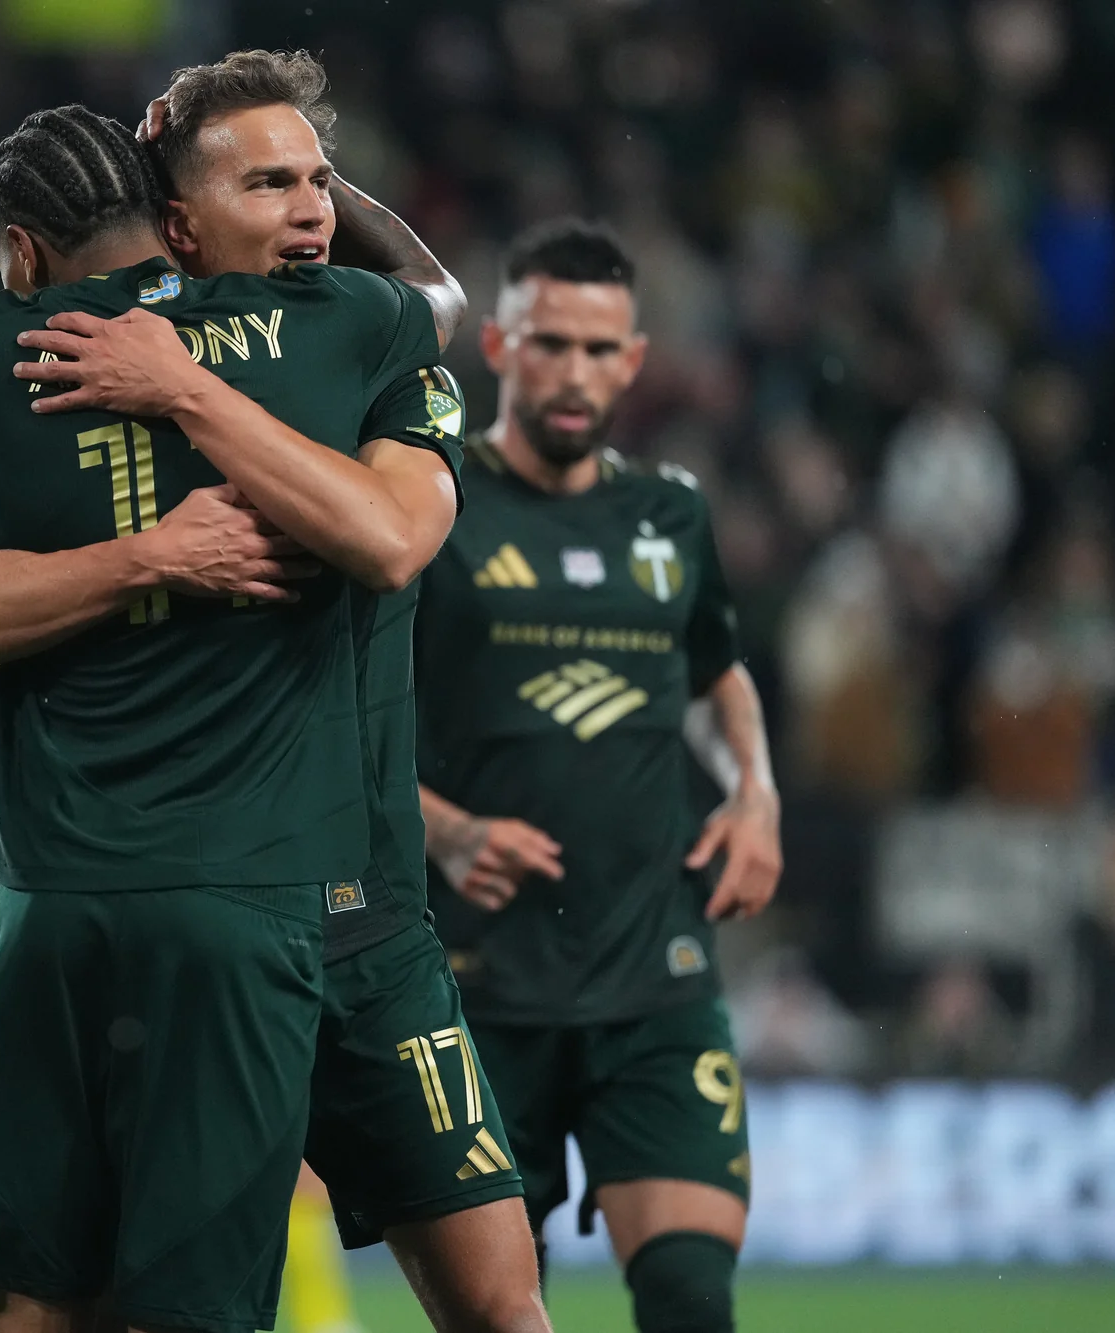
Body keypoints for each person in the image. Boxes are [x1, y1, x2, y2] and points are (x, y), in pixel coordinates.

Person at [0, 103, 474, 1333]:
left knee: (33, 1302)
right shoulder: (341, 329)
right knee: (198, 1305)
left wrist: (134, 551)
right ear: (176, 218)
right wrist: (174, 535)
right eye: (280, 184)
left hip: (47, 897)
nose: (310, 209)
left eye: (313, 183)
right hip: (241, 896)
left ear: (16, 248)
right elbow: (438, 304)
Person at [415, 220, 783, 1333]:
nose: (571, 373)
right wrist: (441, 831)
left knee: (685, 1299)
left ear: (632, 361)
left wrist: (754, 790)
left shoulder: (669, 512)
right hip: (473, 987)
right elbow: (342, 720)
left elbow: (713, 677)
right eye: (547, 343)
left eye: (596, 349)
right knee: (496, 1315)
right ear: (496, 345)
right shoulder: (428, 508)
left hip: (652, 972)